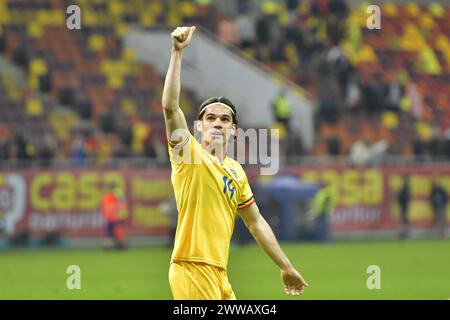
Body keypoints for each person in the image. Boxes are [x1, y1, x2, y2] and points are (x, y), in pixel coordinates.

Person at [162, 26, 308, 300]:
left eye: (225, 119)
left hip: (220, 275)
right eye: (210, 118)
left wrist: (285, 266)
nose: (217, 122)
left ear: (234, 129)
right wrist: (176, 53)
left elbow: (255, 222)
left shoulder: (236, 171)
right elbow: (170, 107)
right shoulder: (188, 156)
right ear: (198, 126)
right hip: (192, 268)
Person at [100, 183, 127, 249]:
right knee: (110, 233)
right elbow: (104, 206)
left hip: (117, 217)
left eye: (111, 188)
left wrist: (117, 191)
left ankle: (120, 245)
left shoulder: (117, 195)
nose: (110, 189)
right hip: (110, 218)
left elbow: (122, 203)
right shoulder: (107, 196)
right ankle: (110, 246)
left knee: (118, 232)